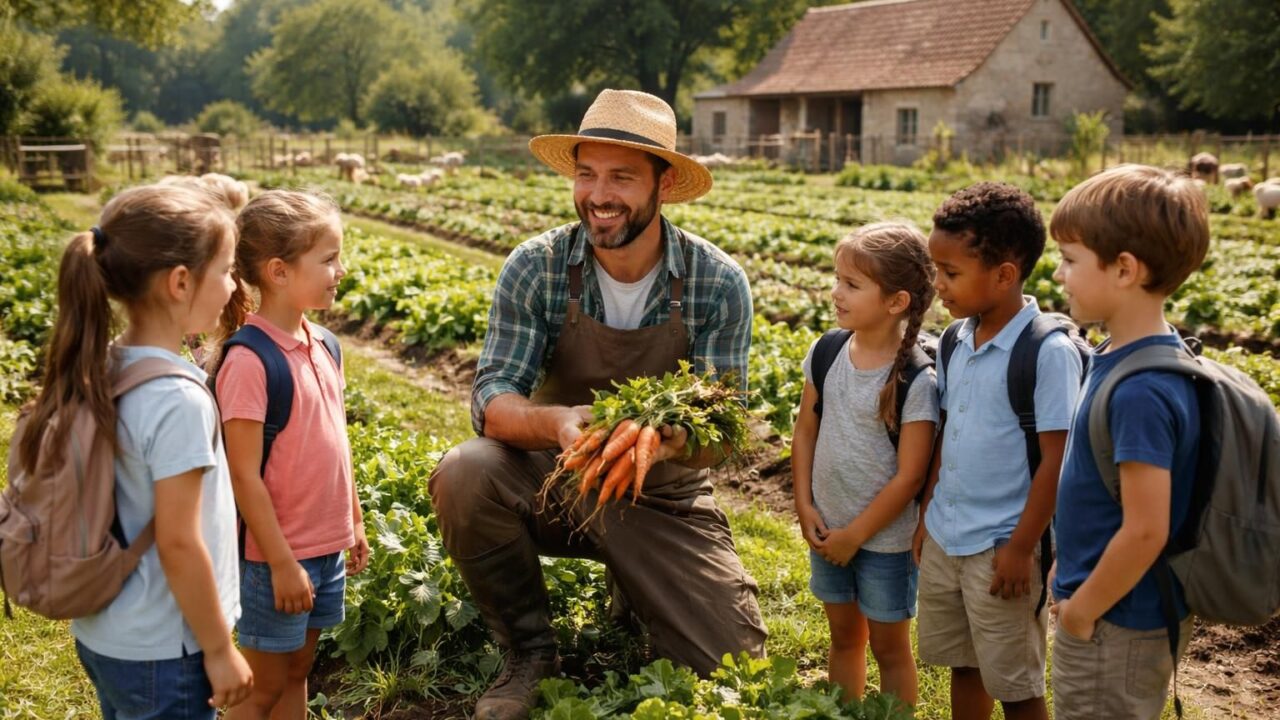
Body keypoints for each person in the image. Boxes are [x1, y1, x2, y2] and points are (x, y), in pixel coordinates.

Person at [428, 89, 767, 720]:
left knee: (734, 668)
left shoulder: (716, 282)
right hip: (556, 477)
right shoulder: (539, 266)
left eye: (621, 177)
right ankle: (529, 651)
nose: (599, 194)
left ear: (663, 183)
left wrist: (662, 441)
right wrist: (557, 423)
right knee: (466, 471)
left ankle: (638, 588)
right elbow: (491, 400)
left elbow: (725, 429)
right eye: (586, 174)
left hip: (661, 497)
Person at [18, 184, 253, 717]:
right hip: (170, 647)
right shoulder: (176, 400)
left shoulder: (105, 363)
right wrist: (218, 649)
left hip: (110, 632)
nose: (234, 284)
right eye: (227, 270)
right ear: (180, 282)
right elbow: (178, 542)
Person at [914, 183, 1082, 720]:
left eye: (951, 273)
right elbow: (946, 432)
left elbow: (1057, 461)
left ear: (1005, 275)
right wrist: (927, 512)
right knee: (965, 665)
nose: (938, 285)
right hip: (947, 533)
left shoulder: (1046, 353)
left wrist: (1021, 547)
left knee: (1015, 683)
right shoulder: (953, 340)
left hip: (1002, 546)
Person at [1048, 165, 1209, 719]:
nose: (1059, 273)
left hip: (1117, 620)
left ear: (1123, 269)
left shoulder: (1142, 389)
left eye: (1070, 260)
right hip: (1108, 604)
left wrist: (1082, 611)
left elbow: (1146, 529)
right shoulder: (1122, 355)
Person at [214, 191, 370, 720]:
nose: (339, 270)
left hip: (325, 549)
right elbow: (243, 475)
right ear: (278, 272)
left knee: (298, 670)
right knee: (260, 687)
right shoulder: (249, 360)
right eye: (327, 259)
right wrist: (281, 562)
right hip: (274, 557)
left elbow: (336, 441)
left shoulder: (324, 343)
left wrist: (355, 520)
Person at [791, 222, 939, 706]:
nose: (836, 292)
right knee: (843, 639)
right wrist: (804, 504)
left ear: (896, 302)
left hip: (885, 543)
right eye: (837, 278)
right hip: (827, 527)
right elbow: (806, 429)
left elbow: (910, 475)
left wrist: (857, 535)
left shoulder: (916, 377)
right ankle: (843, 713)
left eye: (852, 284)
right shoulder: (827, 350)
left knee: (890, 647)